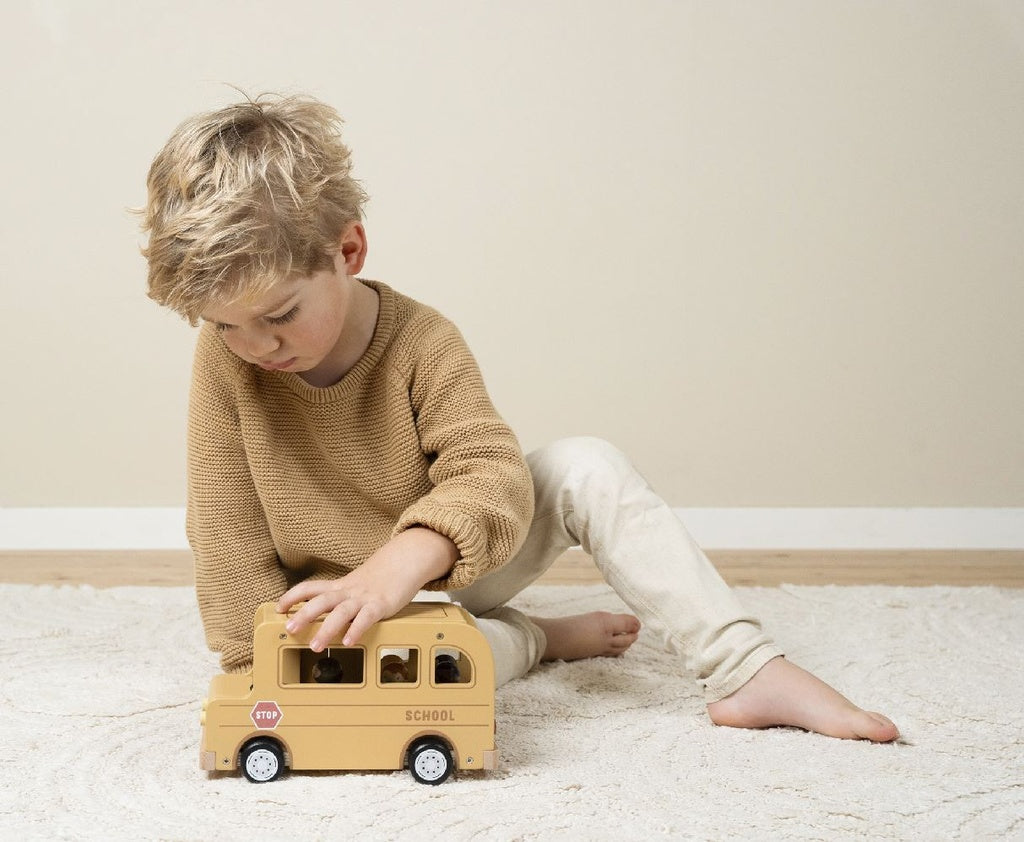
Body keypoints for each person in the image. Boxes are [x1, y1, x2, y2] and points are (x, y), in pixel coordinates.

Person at [141, 93, 898, 743]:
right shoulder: (228, 361)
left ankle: (746, 670)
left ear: (349, 249)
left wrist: (399, 565)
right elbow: (224, 517)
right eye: (225, 325)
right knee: (432, 676)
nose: (256, 346)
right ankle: (536, 639)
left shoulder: (422, 341)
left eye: (279, 315)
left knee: (587, 464)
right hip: (339, 609)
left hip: (447, 565)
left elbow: (489, 476)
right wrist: (256, 662)